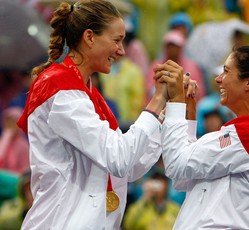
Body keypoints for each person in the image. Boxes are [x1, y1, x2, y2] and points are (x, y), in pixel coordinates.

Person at [16, 0, 168, 229]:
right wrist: (156, 101)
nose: (122, 50)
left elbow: (130, 167)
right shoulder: (60, 89)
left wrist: (162, 116)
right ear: (89, 37)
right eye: (116, 40)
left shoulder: (88, 95)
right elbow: (118, 158)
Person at [154, 45, 249, 229]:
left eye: (226, 71)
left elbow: (176, 165)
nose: (218, 79)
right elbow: (184, 177)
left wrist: (176, 102)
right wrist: (189, 112)